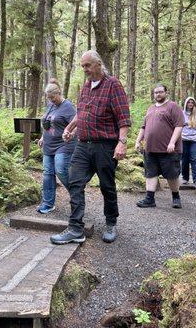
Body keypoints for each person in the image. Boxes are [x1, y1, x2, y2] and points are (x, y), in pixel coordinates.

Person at [50, 50, 131, 245]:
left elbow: (123, 116)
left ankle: (111, 223)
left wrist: (122, 142)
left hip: (105, 146)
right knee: (75, 181)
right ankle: (76, 228)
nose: (85, 69)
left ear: (98, 64)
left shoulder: (113, 85)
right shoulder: (86, 87)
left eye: (87, 65)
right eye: (83, 66)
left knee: (107, 186)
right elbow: (81, 113)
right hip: (83, 145)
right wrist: (70, 128)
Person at [135, 84, 184, 209]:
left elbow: (179, 126)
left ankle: (176, 197)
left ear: (166, 93)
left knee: (172, 175)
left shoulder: (173, 106)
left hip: (168, 150)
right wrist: (138, 141)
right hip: (150, 149)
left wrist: (172, 142)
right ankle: (149, 199)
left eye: (160, 92)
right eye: (156, 92)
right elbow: (144, 127)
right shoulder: (150, 108)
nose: (158, 94)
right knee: (150, 174)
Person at [37, 79, 76, 214]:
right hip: (48, 145)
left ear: (58, 93)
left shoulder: (68, 107)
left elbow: (76, 124)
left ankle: (77, 194)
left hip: (64, 144)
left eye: (53, 98)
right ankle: (48, 203)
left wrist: (71, 134)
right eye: (49, 98)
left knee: (60, 170)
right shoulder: (51, 106)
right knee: (48, 174)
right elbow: (48, 123)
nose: (51, 100)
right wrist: (42, 137)